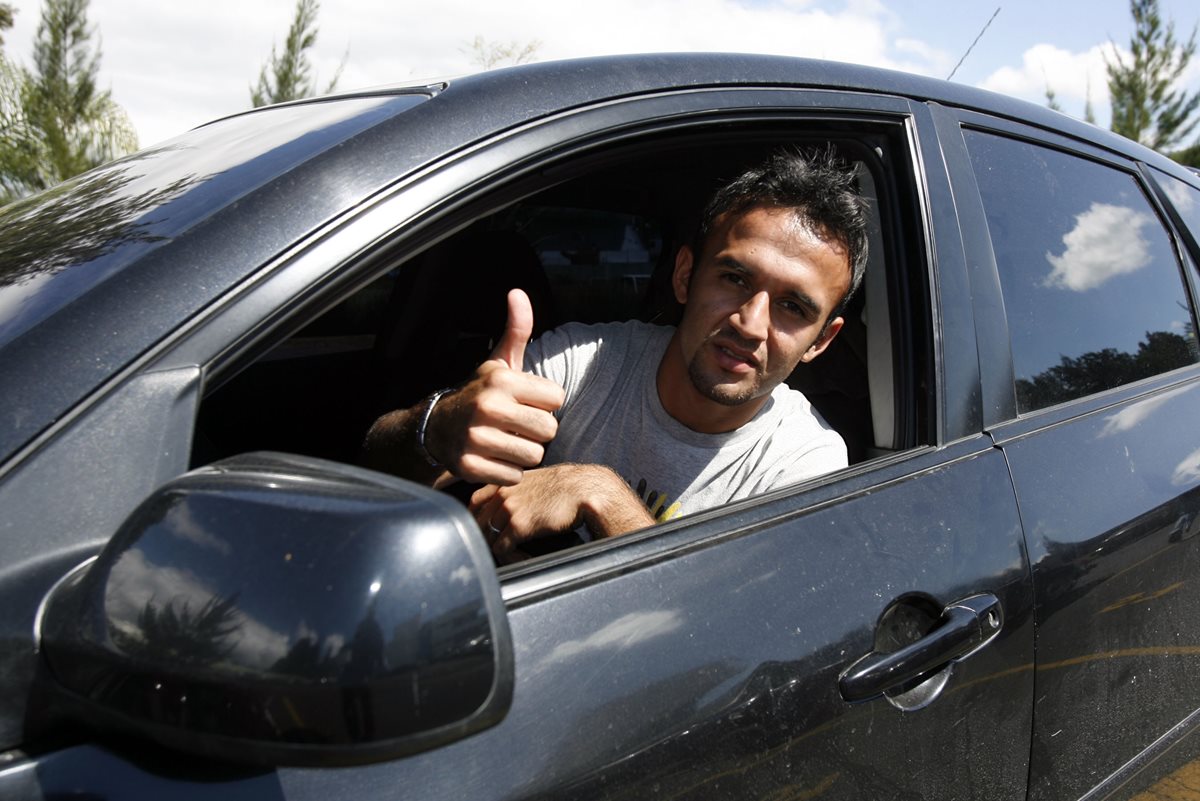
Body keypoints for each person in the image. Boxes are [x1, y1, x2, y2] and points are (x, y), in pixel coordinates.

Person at [363, 149, 869, 559]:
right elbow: (381, 471)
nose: (750, 324)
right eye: (735, 278)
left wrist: (599, 495)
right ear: (686, 276)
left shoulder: (804, 465)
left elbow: (723, 636)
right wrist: (438, 427)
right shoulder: (583, 362)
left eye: (793, 307)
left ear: (822, 340)